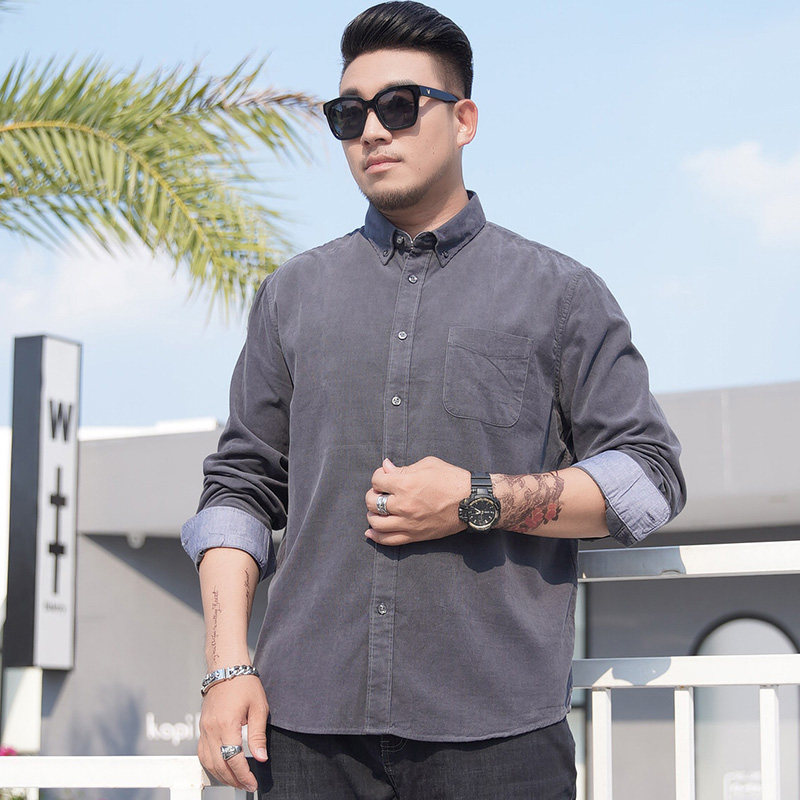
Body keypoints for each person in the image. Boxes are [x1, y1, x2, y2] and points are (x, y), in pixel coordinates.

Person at [181, 2, 686, 797]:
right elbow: (240, 488)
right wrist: (225, 667)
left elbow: (650, 477)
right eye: (349, 114)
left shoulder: (561, 295)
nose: (372, 132)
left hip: (498, 738)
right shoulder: (292, 296)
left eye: (399, 106)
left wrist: (478, 500)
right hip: (306, 733)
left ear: (464, 120)